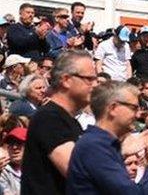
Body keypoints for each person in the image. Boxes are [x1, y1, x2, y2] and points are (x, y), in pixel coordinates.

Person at [65, 81, 148, 194]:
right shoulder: (94, 146)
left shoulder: (106, 145)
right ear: (113, 108)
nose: (137, 114)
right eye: (134, 108)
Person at [22, 50, 96, 195]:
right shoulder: (49, 118)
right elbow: (79, 174)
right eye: (89, 79)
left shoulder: (70, 121)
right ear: (66, 80)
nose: (95, 85)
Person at [0, 127, 27, 194]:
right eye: (11, 144)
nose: (14, 147)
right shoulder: (3, 170)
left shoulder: (38, 169)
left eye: (19, 143)